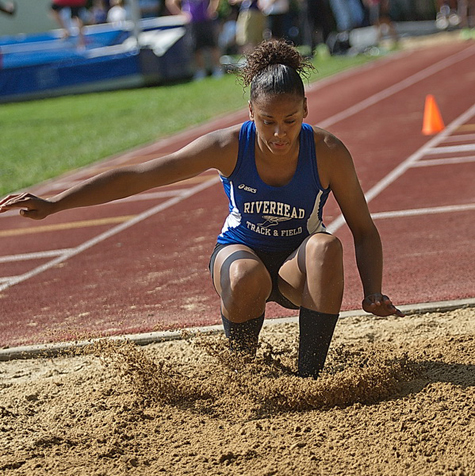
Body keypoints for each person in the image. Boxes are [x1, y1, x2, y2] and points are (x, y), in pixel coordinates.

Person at [0, 40, 403, 379]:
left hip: (296, 267)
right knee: (246, 275)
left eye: (290, 120)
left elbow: (363, 230)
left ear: (306, 111)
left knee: (327, 246)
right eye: (267, 121)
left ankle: (309, 378)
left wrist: (372, 292)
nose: (279, 133)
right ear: (249, 112)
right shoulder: (228, 146)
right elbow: (140, 176)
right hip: (241, 254)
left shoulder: (327, 152)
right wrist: (56, 203)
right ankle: (241, 375)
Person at [166, 0, 223, 80]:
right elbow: (171, 2)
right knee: (196, 48)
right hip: (193, 23)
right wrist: (181, 14)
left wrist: (212, 9)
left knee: (213, 46)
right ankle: (200, 71)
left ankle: (217, 69)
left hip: (206, 21)